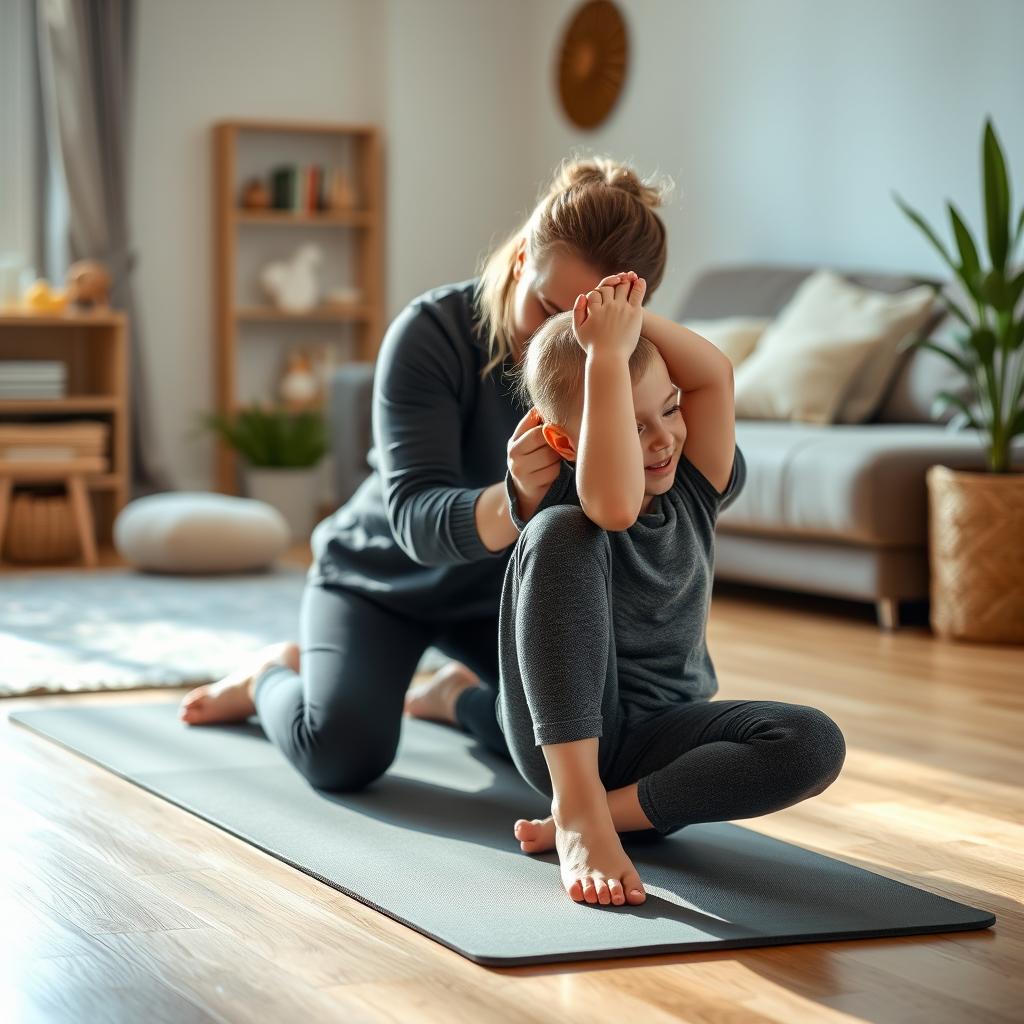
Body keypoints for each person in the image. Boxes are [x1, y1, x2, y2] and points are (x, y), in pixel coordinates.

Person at [176, 156, 672, 791]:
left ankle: (453, 696)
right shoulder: (431, 332)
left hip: (503, 598)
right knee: (342, 753)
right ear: (522, 257)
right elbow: (414, 517)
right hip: (383, 578)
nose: (556, 339)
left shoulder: (623, 366)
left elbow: (709, 475)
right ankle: (269, 673)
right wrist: (516, 498)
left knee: (595, 755)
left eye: (582, 325)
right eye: (546, 306)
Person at [497, 271, 847, 907]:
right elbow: (612, 505)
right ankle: (576, 810)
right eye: (629, 427)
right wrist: (602, 354)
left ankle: (606, 812)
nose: (662, 439)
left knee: (814, 742)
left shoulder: (695, 483)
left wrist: (624, 321)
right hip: (568, 736)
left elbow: (713, 374)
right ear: (567, 442)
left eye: (668, 409)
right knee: (562, 533)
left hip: (664, 754)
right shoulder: (573, 503)